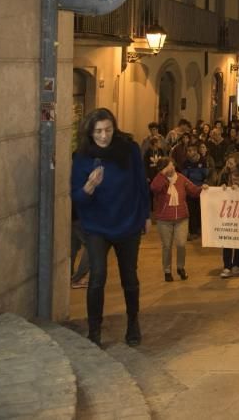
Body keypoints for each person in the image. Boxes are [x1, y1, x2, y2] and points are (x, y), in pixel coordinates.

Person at [70, 108, 149, 347]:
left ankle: (133, 323)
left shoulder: (129, 149)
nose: (104, 136)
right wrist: (89, 187)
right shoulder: (82, 157)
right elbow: (77, 197)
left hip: (128, 222)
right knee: (97, 276)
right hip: (97, 226)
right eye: (98, 131)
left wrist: (145, 215)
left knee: (129, 277)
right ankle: (94, 330)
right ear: (90, 132)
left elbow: (140, 184)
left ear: (114, 128)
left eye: (108, 130)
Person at [149, 159, 202, 282]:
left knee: (181, 244)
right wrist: (162, 175)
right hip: (164, 219)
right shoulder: (160, 180)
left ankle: (180, 267)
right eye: (169, 165)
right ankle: (167, 270)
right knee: (167, 246)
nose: (172, 166)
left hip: (181, 218)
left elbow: (193, 191)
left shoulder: (181, 178)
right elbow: (154, 188)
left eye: (172, 164)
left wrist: (203, 188)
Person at [217, 152, 239, 278]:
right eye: (228, 162)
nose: (228, 165)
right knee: (227, 239)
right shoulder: (224, 174)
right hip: (227, 210)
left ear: (238, 163)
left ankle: (236, 264)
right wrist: (222, 186)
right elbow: (218, 186)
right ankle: (227, 266)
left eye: (231, 163)